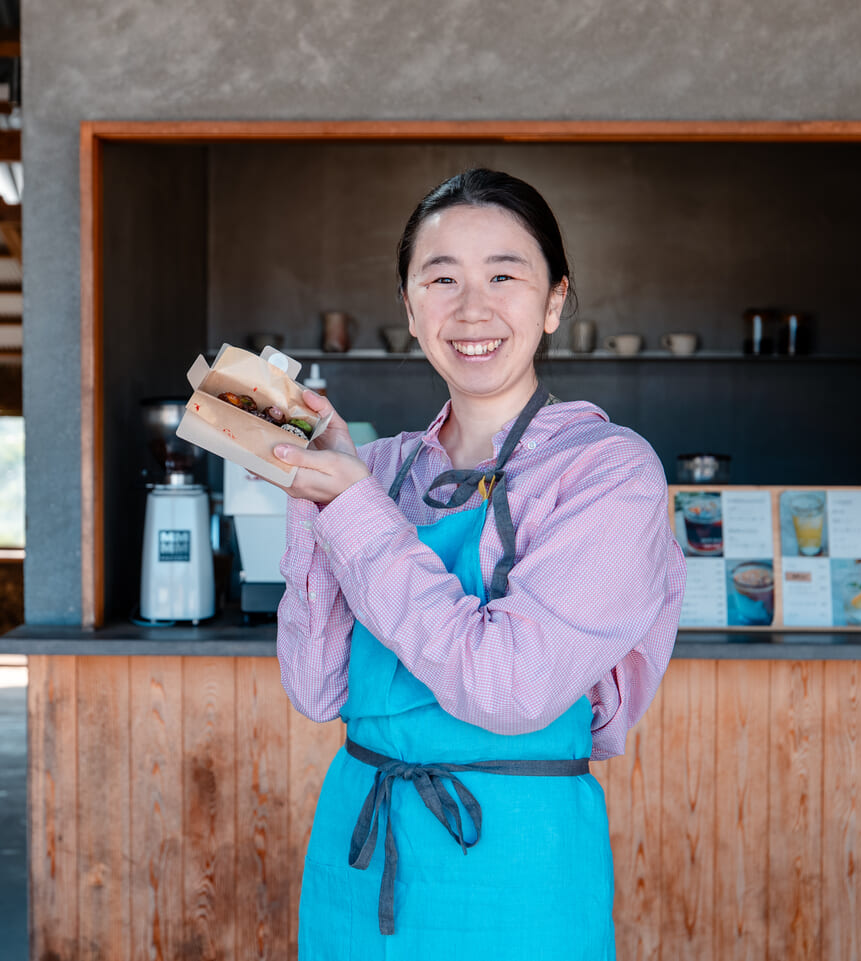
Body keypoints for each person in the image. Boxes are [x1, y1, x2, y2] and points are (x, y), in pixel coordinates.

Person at [270, 168, 686, 959]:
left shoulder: (607, 471)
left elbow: (511, 685)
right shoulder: (376, 468)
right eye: (441, 279)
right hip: (357, 852)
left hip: (514, 864)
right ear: (409, 307)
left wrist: (353, 510)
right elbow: (317, 689)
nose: (471, 309)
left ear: (555, 300)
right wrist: (318, 495)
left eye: (504, 275)